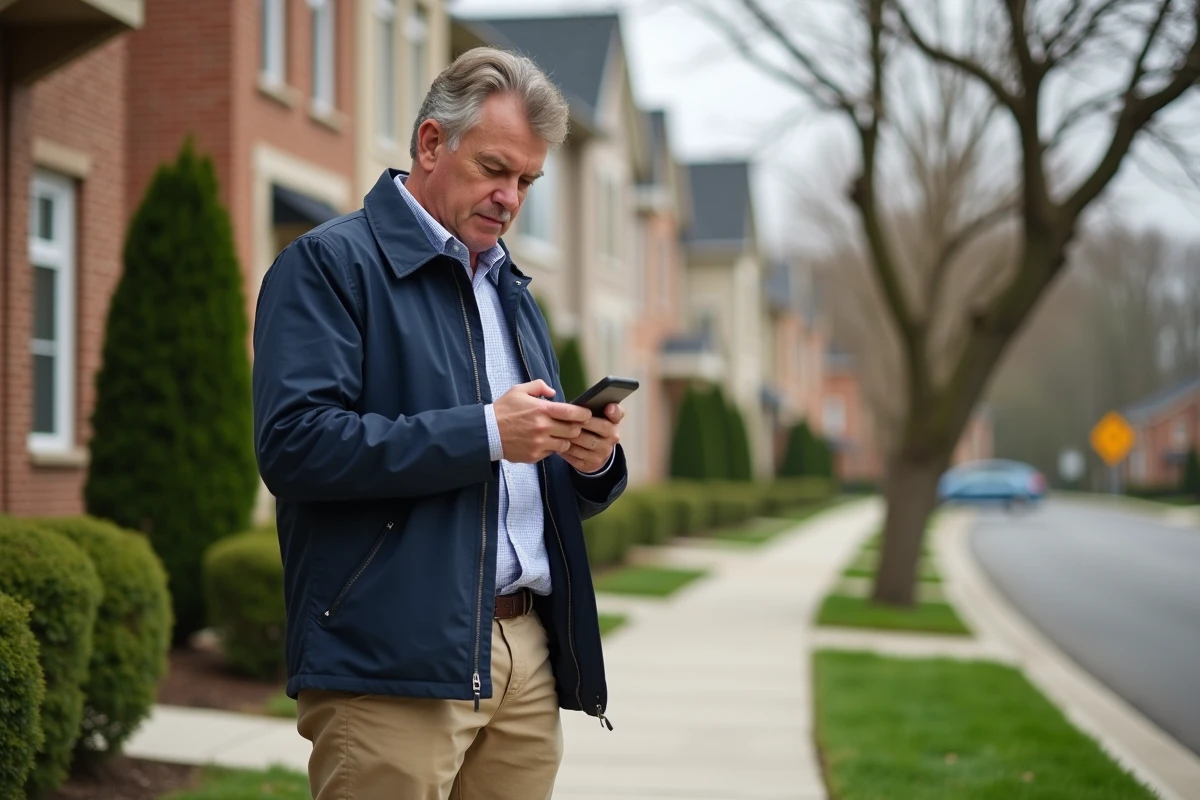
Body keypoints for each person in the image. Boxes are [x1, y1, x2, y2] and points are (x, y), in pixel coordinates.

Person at [251, 46, 627, 800]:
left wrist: (587, 461)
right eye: (494, 168)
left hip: (526, 654)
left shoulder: (513, 292)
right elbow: (295, 448)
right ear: (431, 143)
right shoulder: (329, 267)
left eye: (527, 180)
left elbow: (521, 478)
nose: (510, 196)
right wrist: (488, 432)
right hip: (394, 655)